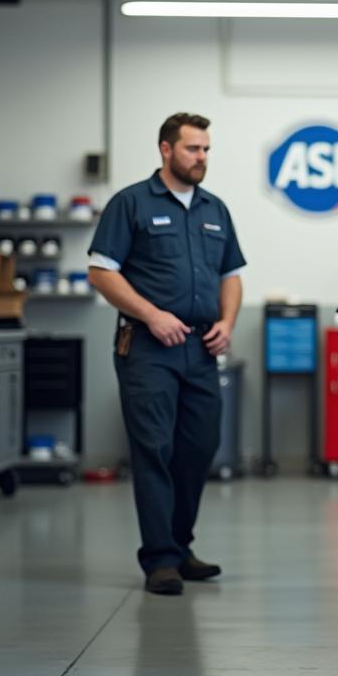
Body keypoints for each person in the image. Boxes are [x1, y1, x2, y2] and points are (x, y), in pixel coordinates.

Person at [87, 113, 246, 595]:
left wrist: (227, 323)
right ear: (165, 149)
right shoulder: (131, 203)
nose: (202, 158)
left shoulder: (215, 209)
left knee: (198, 448)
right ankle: (160, 558)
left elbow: (232, 274)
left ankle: (180, 546)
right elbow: (101, 271)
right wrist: (152, 314)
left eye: (206, 150)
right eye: (192, 149)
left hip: (200, 348)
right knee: (154, 449)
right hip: (148, 349)